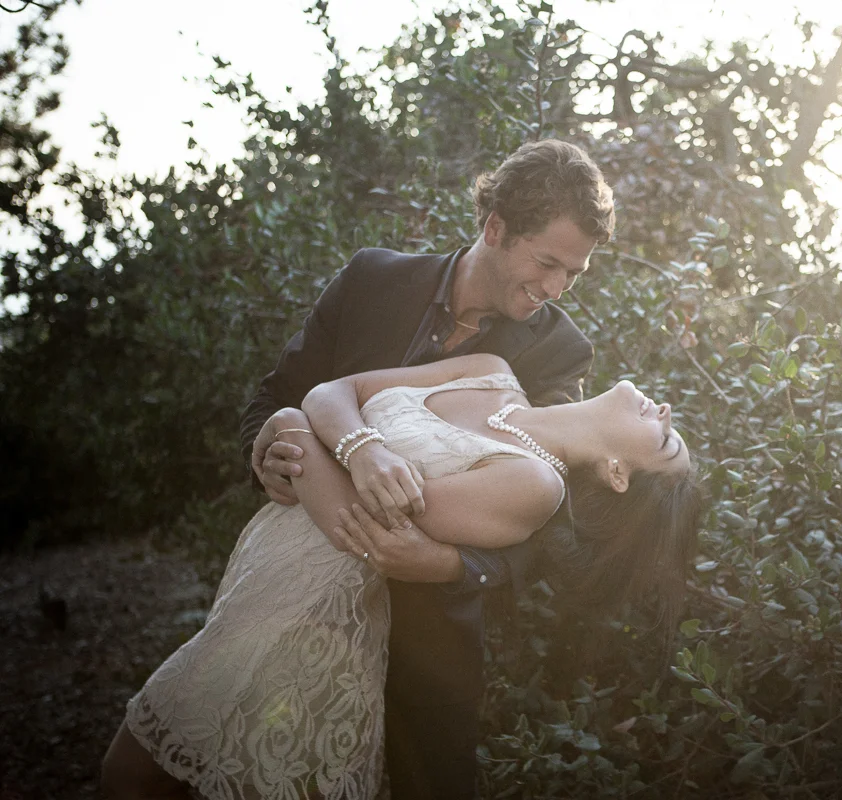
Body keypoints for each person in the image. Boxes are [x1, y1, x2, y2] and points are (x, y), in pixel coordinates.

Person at [116, 139, 611, 799]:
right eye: (547, 262)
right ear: (494, 227)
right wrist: (260, 450)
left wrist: (458, 566)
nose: (555, 289)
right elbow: (275, 396)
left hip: (422, 653)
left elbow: (557, 519)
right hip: (287, 609)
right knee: (140, 777)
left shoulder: (557, 351)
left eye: (572, 274)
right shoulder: (372, 279)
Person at [101, 352, 703, 799]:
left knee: (129, 775)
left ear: (619, 473)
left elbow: (365, 528)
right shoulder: (493, 370)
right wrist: (357, 446)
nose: (666, 413)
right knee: (135, 776)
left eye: (666, 441)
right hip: (259, 592)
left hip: (311, 636)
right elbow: (336, 390)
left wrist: (290, 426)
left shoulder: (533, 484)